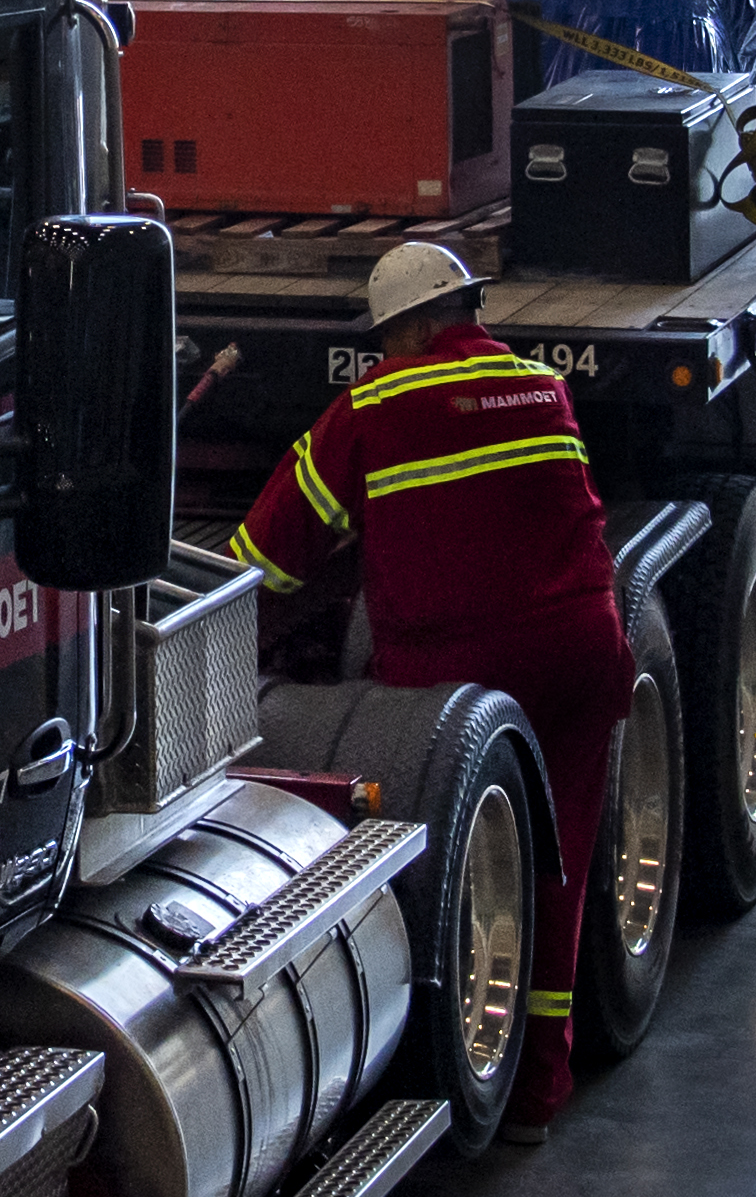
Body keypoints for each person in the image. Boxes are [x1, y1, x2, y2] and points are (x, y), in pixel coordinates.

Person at [232, 239, 629, 1126]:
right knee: (558, 861)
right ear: (468, 310)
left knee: (443, 873)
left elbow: (267, 558)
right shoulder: (541, 385)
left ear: (405, 328)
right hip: (582, 648)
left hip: (460, 667)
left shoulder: (376, 404)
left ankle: (437, 1076)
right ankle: (537, 1093)